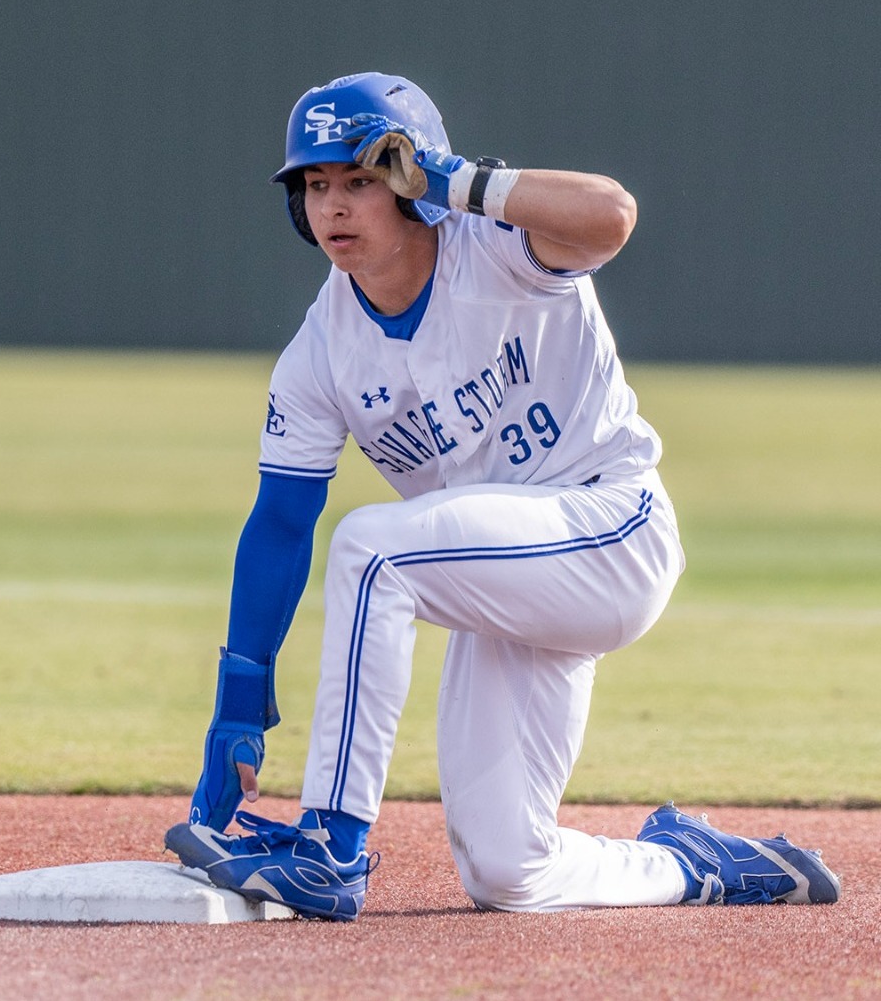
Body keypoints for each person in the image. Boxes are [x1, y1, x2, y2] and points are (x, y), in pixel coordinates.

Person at [163, 73, 840, 920]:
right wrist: (239, 698)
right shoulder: (321, 351)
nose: (334, 204)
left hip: (612, 528)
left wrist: (459, 181)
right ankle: (689, 862)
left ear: (413, 184)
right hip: (507, 580)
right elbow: (278, 524)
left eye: (361, 179)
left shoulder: (501, 247)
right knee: (507, 869)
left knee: (375, 549)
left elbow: (613, 214)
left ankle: (331, 846)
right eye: (317, 184)